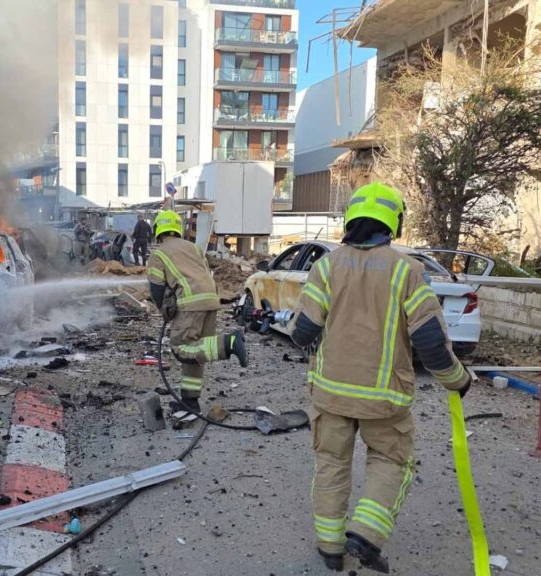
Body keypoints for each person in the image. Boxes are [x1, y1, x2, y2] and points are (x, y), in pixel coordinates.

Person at [286, 182, 470, 573]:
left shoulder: (326, 267)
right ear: (394, 223)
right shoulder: (407, 271)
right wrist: (458, 380)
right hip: (385, 399)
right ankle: (366, 534)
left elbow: (301, 332)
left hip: (330, 396)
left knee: (332, 465)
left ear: (351, 220)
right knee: (390, 461)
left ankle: (330, 548)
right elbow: (432, 344)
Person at [146, 210, 248, 419]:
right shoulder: (194, 248)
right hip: (211, 299)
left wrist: (163, 310)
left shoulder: (159, 254)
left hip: (190, 304)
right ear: (177, 228)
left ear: (158, 230)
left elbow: (156, 289)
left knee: (181, 348)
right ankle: (190, 403)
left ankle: (229, 343)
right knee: (196, 352)